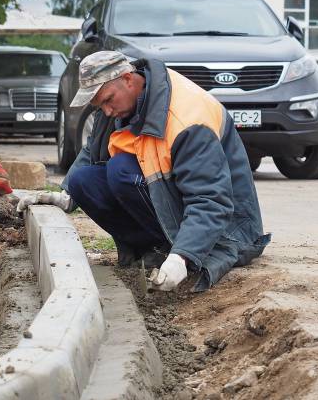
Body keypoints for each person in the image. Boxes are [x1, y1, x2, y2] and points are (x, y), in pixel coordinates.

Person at [31, 51, 270, 292]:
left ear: (127, 78)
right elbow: (92, 149)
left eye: (108, 100)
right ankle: (154, 250)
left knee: (120, 170)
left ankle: (174, 250)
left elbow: (211, 200)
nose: (107, 111)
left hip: (229, 229)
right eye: (100, 105)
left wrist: (182, 257)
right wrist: (67, 194)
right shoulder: (122, 104)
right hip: (177, 204)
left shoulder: (187, 121)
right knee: (84, 181)